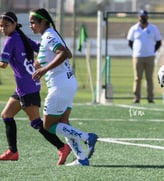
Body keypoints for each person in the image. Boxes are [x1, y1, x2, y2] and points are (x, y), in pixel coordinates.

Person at [28, 8, 98, 166]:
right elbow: (67, 53)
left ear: (43, 22)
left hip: (59, 86)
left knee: (48, 126)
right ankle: (82, 159)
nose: (31, 26)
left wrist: (44, 69)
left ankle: (87, 137)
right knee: (63, 124)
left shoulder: (48, 35)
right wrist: (42, 62)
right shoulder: (51, 34)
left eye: (33, 22)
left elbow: (63, 54)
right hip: (67, 83)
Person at [0, 11, 71, 165]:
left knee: (36, 122)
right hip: (27, 86)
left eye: (6, 25)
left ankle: (62, 147)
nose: (3, 29)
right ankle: (13, 151)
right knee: (6, 115)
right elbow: (41, 47)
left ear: (14, 25)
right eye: (1, 26)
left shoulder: (10, 40)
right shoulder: (22, 37)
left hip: (27, 87)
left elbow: (3, 64)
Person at [127, 9, 162, 103]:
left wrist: (152, 51)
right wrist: (136, 51)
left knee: (149, 78)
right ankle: (136, 98)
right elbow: (130, 42)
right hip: (137, 57)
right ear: (138, 17)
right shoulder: (134, 28)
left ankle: (150, 98)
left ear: (147, 17)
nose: (143, 18)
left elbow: (158, 42)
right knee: (137, 78)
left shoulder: (153, 28)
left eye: (144, 16)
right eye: (141, 16)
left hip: (150, 57)